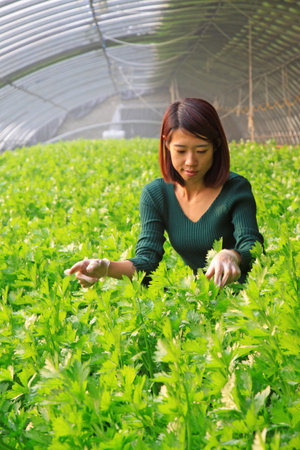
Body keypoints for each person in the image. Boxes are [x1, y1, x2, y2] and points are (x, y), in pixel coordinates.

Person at [65, 98, 264, 289]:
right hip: (197, 295)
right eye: (180, 150)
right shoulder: (156, 194)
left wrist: (231, 255)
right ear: (166, 144)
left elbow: (252, 245)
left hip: (243, 295)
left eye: (201, 151)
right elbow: (147, 260)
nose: (190, 161)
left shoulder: (235, 188)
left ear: (216, 146)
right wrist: (106, 267)